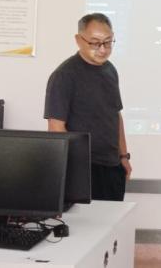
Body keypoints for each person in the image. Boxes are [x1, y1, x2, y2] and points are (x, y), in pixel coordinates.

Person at [44, 13, 132, 201]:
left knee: (112, 219)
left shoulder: (110, 70)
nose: (103, 49)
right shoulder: (64, 76)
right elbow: (56, 128)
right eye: (95, 43)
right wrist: (73, 172)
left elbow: (115, 115)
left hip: (112, 167)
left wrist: (123, 156)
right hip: (82, 170)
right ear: (78, 40)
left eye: (108, 42)